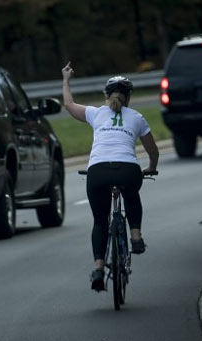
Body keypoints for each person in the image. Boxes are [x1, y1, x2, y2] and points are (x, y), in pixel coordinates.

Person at [61, 61, 159, 292]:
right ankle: (135, 236)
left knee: (99, 220)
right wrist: (151, 167)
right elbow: (152, 150)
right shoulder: (137, 117)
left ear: (106, 95)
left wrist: (66, 80)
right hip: (128, 169)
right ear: (129, 97)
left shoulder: (95, 113)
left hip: (98, 171)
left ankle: (98, 268)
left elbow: (69, 105)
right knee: (132, 195)